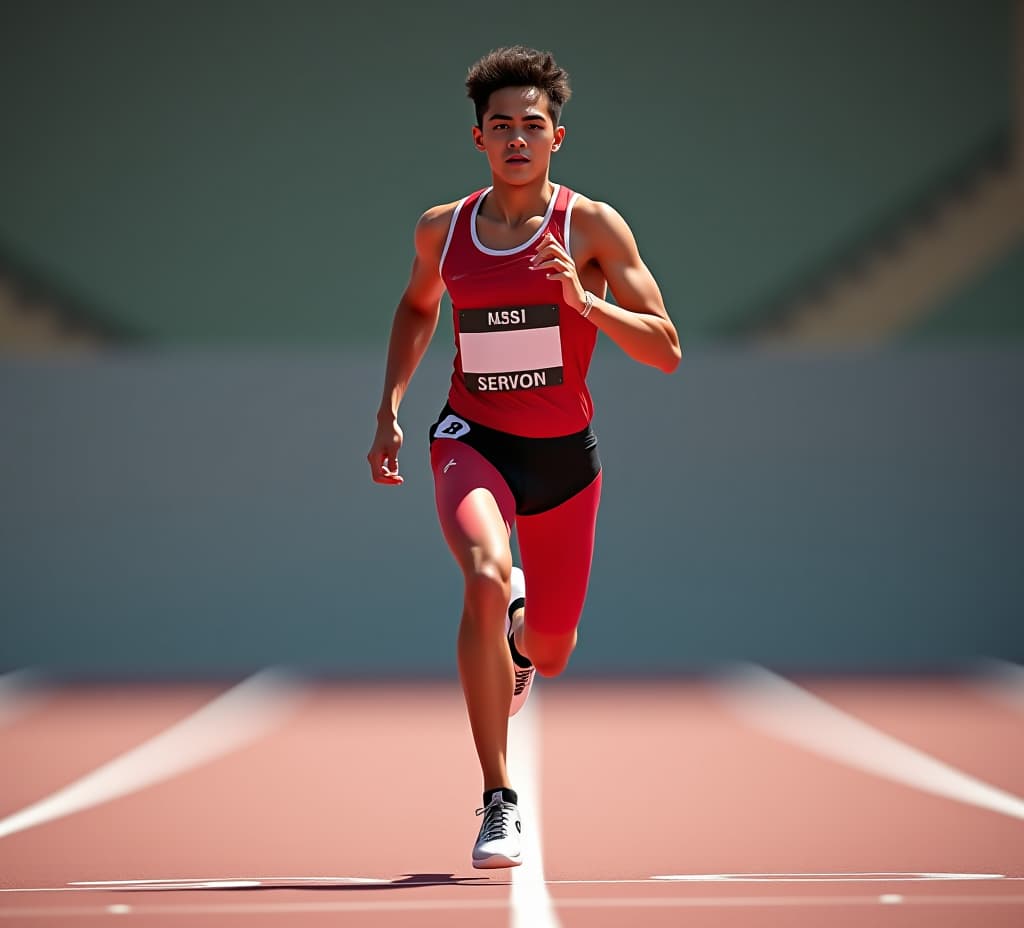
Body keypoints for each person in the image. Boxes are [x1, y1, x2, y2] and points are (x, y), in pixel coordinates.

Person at [367, 45, 680, 870]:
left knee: (552, 650)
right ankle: (498, 798)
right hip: (472, 439)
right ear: (478, 139)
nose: (515, 138)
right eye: (499, 125)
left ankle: (519, 638)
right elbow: (414, 306)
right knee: (481, 570)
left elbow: (668, 350)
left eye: (530, 126)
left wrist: (586, 301)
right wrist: (392, 407)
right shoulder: (444, 228)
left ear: (556, 137)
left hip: (564, 459)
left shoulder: (594, 227)